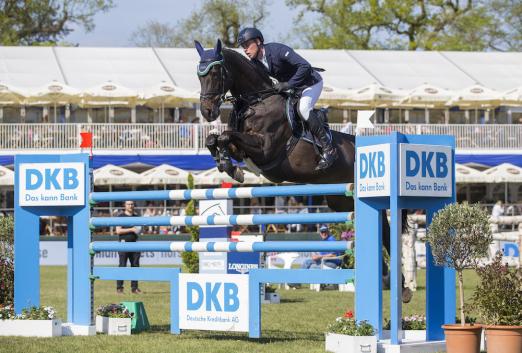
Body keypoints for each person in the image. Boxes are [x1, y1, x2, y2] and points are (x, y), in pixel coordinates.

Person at [237, 27, 338, 170]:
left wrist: (288, 84)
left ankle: (329, 149)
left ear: (258, 41)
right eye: (243, 47)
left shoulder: (277, 50)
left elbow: (305, 66)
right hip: (293, 88)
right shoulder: (255, 63)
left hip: (310, 83)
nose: (245, 50)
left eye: (247, 45)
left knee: (303, 109)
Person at [115, 201, 142, 294]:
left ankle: (134, 288)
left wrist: (137, 230)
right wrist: (131, 229)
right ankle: (119, 288)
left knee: (135, 266)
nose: (130, 206)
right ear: (124, 206)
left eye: (132, 204)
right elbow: (118, 231)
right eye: (128, 204)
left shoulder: (137, 217)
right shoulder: (120, 216)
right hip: (123, 244)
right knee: (122, 266)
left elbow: (139, 230)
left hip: (135, 244)